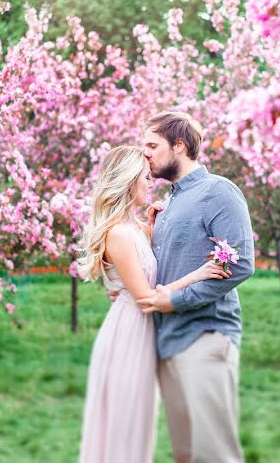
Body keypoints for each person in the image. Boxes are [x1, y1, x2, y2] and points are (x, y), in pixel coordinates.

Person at [77, 145, 230, 463]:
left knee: (139, 429)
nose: (151, 183)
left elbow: (149, 266)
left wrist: (152, 226)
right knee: (125, 430)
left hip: (145, 334)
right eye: (146, 177)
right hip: (128, 336)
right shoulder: (118, 234)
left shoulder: (135, 229)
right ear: (130, 181)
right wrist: (198, 274)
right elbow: (145, 297)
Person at [138, 111, 255, 463]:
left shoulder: (218, 191)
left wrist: (176, 300)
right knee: (187, 456)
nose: (145, 153)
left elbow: (239, 263)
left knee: (214, 454)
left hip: (205, 337)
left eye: (151, 145)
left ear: (179, 145)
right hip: (167, 344)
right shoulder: (169, 202)